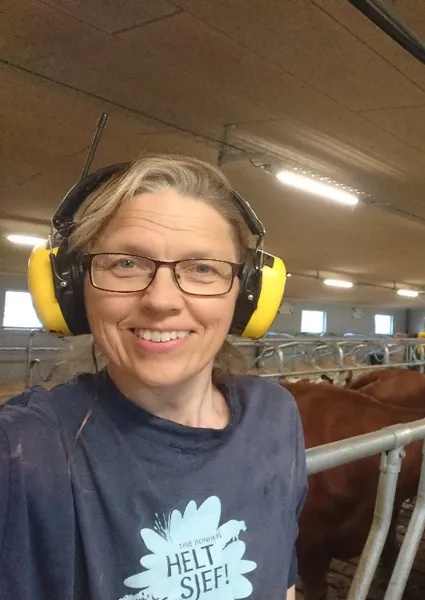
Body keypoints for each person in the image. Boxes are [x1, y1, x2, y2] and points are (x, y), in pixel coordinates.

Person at [0, 155, 307, 600]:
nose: (161, 300)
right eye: (125, 263)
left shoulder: (276, 415)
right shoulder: (24, 452)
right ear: (71, 289)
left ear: (247, 298)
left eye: (203, 268)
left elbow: (281, 581)